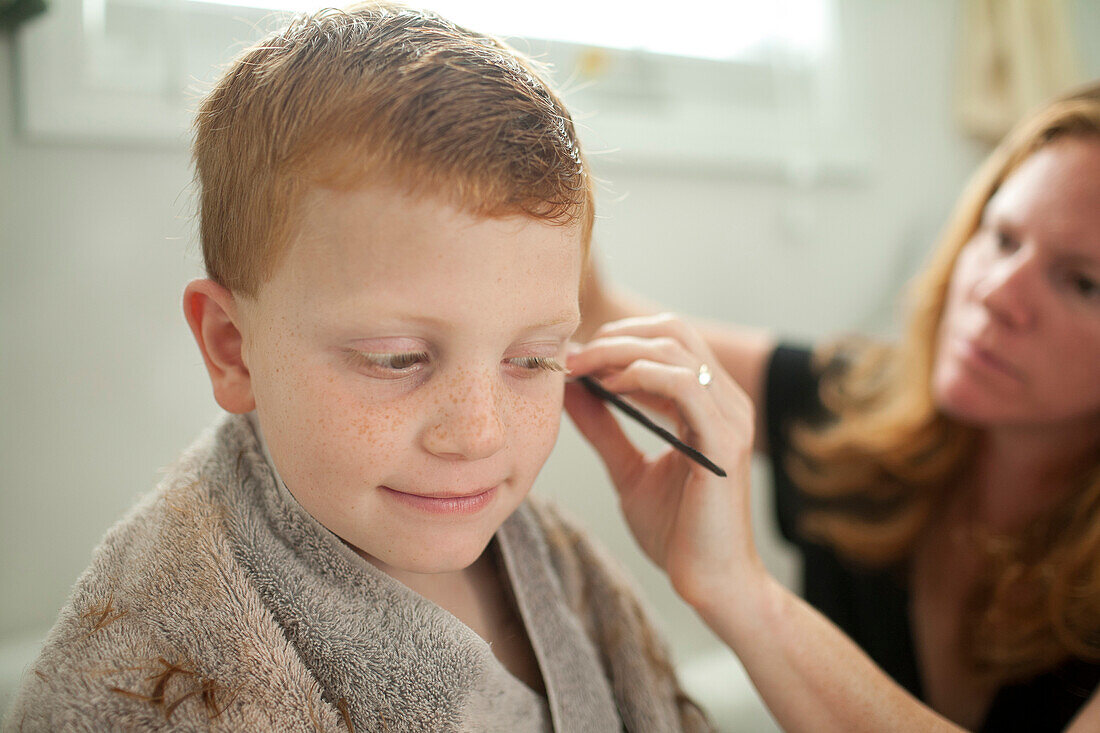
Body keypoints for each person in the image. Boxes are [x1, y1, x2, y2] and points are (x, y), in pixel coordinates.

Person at [4, 5, 710, 731]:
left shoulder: (560, 564)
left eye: (532, 359)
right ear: (230, 346)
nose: (477, 434)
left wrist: (738, 591)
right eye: (396, 358)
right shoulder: (155, 668)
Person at [567, 81, 1100, 732]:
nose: (996, 291)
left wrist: (741, 590)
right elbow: (596, 315)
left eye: (1082, 282)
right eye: (1004, 237)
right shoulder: (857, 399)